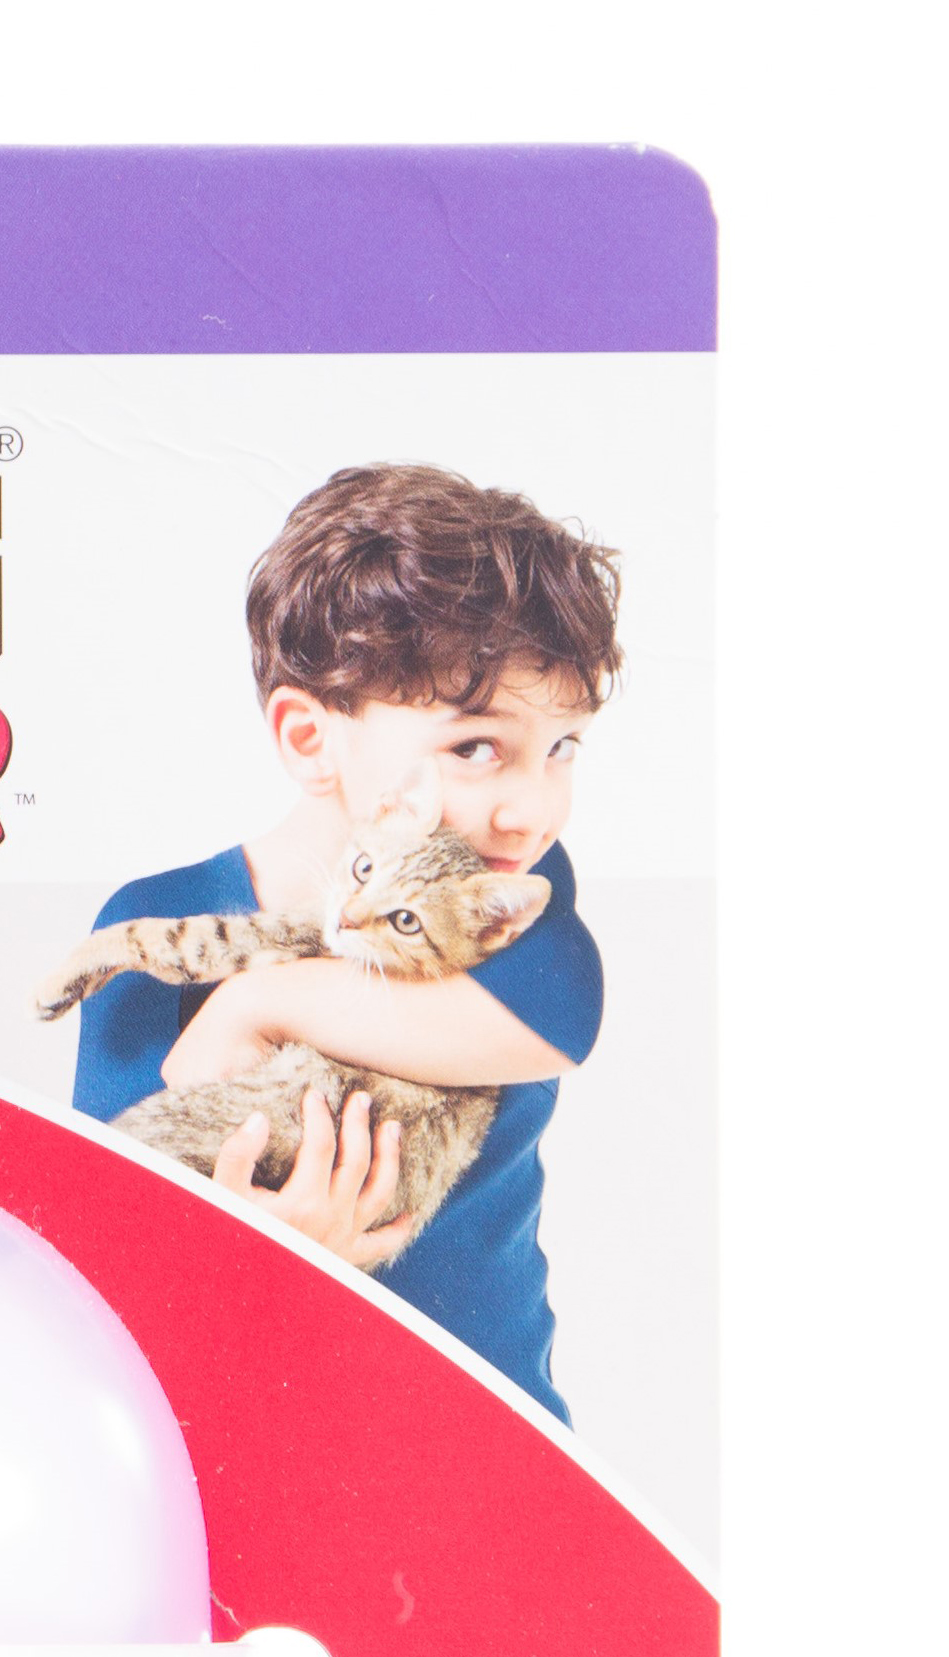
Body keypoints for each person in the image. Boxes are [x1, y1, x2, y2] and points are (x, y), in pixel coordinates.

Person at [69, 463, 620, 1421]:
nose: (531, 810)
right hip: (253, 1439)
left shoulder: (502, 891)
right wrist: (268, 1256)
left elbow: (564, 1022)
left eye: (561, 747)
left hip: (494, 1438)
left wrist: (254, 1003)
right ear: (308, 738)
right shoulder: (163, 915)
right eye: (475, 747)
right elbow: (98, 1247)